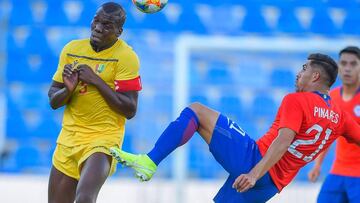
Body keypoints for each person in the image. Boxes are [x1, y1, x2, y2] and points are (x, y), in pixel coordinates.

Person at [110, 53, 360, 203]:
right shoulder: (341, 116)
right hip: (272, 186)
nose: (299, 73)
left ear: (315, 77)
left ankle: (150, 161)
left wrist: (254, 173)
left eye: (304, 69)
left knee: (196, 110)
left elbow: (283, 141)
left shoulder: (296, 100)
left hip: (254, 163)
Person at [47, 2, 142, 203]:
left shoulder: (126, 57)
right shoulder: (72, 50)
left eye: (107, 25)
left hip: (103, 139)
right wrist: (68, 90)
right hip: (69, 138)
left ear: (119, 31)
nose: (98, 28)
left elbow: (130, 109)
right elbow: (54, 101)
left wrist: (96, 81)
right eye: (96, 21)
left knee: (84, 198)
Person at [308, 47, 360, 203]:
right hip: (338, 170)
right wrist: (317, 165)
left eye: (353, 64)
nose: (348, 69)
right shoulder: (333, 97)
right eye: (344, 64)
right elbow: (328, 133)